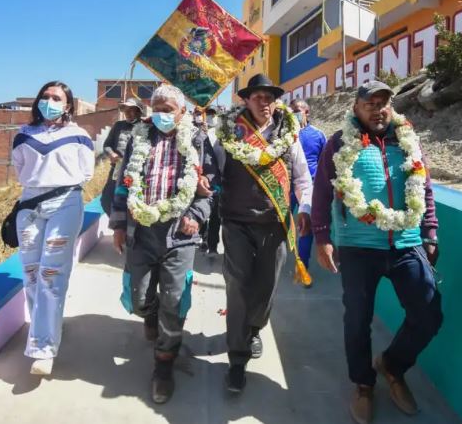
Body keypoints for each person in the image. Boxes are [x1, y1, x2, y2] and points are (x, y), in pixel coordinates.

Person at [311, 81, 442, 424]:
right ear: (356, 108)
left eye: (383, 102)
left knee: (429, 314)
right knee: (357, 321)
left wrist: (430, 232)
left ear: (391, 107)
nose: (377, 109)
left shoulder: (408, 139)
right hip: (358, 246)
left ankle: (392, 365)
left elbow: (424, 187)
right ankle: (363, 384)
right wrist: (322, 236)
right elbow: (322, 191)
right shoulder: (339, 142)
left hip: (406, 243)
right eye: (369, 103)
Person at [110, 84, 218, 405]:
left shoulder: (199, 140)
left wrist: (197, 214)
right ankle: (150, 315)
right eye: (156, 107)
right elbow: (123, 184)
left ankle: (164, 365)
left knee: (173, 299)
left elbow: (214, 185)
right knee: (140, 299)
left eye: (168, 108)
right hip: (141, 232)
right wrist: (118, 224)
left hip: (180, 234)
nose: (161, 114)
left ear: (182, 112)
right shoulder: (137, 139)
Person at [215, 73, 313, 393]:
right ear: (246, 100)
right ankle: (237, 360)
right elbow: (211, 169)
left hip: (275, 223)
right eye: (258, 97)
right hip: (237, 222)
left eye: (269, 97)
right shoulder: (230, 132)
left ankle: (255, 328)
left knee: (267, 285)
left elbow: (302, 178)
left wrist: (306, 210)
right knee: (239, 286)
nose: (265, 103)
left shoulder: (289, 133)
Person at [11, 80, 95, 376]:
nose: (49, 101)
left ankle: (44, 348)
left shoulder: (79, 135)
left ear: (68, 105)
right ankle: (43, 328)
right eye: (45, 96)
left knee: (51, 272)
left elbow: (86, 172)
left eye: (56, 97)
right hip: (29, 205)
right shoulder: (23, 135)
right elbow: (21, 170)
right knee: (32, 273)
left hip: (65, 203)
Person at [289, 98, 326, 283]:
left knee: (305, 227)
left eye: (296, 110)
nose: (293, 113)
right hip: (285, 187)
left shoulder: (318, 135)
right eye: (291, 110)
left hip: (307, 188)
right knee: (277, 224)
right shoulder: (284, 133)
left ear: (307, 112)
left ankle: (302, 267)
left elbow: (325, 163)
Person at [100, 98, 144, 216]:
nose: (128, 113)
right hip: (117, 170)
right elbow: (107, 145)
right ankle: (117, 226)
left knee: (131, 202)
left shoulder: (146, 127)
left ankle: (126, 230)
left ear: (139, 112)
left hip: (137, 173)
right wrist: (111, 154)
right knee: (106, 200)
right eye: (126, 110)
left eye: (131, 110)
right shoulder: (118, 126)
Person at [194, 105, 223, 257]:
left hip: (216, 179)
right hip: (196, 178)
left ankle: (212, 245)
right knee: (201, 211)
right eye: (199, 114)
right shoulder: (192, 132)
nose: (205, 116)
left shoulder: (220, 132)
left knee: (215, 216)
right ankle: (203, 239)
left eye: (210, 113)